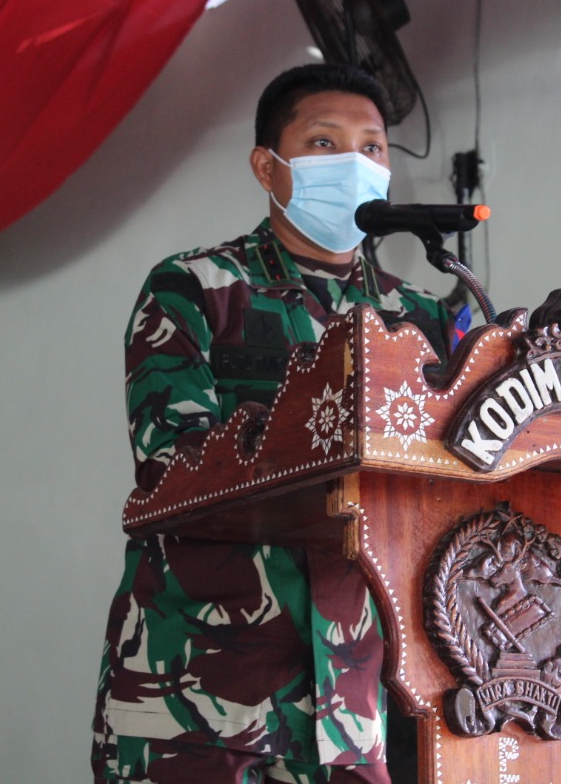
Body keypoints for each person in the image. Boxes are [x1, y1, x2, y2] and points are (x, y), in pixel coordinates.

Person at [92, 64, 453, 784]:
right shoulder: (197, 288)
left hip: (351, 698)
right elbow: (172, 465)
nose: (353, 163)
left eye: (372, 147)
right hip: (197, 686)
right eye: (323, 142)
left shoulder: (420, 319)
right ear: (267, 166)